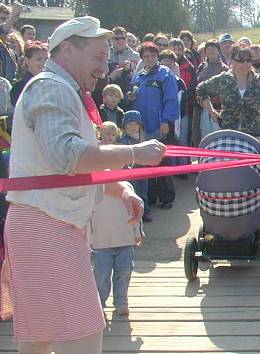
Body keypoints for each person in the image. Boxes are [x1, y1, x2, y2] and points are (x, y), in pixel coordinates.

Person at [1, 16, 165, 353]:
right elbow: (68, 156)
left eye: (106, 58)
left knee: (39, 339)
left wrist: (120, 190)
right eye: (98, 57)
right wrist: (134, 152)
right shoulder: (52, 87)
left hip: (42, 225)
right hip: (46, 227)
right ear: (67, 51)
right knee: (84, 335)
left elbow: (63, 167)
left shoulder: (61, 90)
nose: (104, 68)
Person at [90, 122, 144, 317]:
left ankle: (121, 301)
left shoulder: (127, 187)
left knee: (124, 274)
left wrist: (138, 233)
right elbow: (88, 213)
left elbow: (137, 210)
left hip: (124, 241)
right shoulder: (95, 187)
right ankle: (100, 304)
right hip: (101, 242)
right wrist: (88, 237)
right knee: (101, 275)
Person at [129, 41, 180, 210]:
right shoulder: (139, 75)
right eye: (146, 56)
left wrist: (166, 120)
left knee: (163, 160)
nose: (149, 59)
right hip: (142, 126)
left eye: (152, 55)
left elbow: (171, 98)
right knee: (146, 160)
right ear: (142, 58)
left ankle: (167, 197)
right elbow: (133, 94)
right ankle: (149, 197)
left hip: (159, 124)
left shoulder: (165, 74)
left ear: (157, 56)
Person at [196, 45, 260, 134]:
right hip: (228, 132)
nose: (245, 64)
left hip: (253, 133)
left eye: (248, 60)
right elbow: (201, 89)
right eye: (241, 60)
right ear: (232, 61)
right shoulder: (223, 79)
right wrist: (211, 111)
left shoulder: (259, 81)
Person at [118, 110, 151, 222]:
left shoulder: (143, 138)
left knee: (143, 192)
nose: (133, 127)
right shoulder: (123, 140)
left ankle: (145, 211)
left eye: (136, 124)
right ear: (125, 125)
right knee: (133, 191)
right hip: (130, 171)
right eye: (130, 124)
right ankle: (134, 213)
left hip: (142, 170)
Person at [193, 39, 227, 145]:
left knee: (218, 138)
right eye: (209, 49)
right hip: (202, 107)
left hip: (217, 109)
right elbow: (197, 85)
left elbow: (226, 90)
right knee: (204, 138)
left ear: (218, 50)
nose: (211, 51)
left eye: (214, 48)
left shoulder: (224, 69)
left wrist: (213, 102)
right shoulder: (202, 67)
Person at [10, 40, 45, 106]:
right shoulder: (20, 86)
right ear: (27, 61)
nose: (43, 63)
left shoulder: (48, 83)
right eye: (39, 59)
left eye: (45, 59)